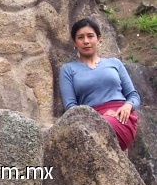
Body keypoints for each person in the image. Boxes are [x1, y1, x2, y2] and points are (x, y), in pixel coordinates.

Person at [59, 17, 140, 151]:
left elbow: (133, 96)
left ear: (99, 38)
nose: (86, 41)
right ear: (74, 42)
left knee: (101, 129)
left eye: (90, 36)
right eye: (80, 37)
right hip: (89, 120)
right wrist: (97, 117)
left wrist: (127, 106)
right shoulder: (68, 69)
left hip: (121, 117)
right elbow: (71, 107)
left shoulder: (114, 63)